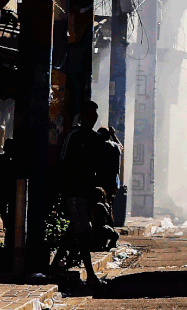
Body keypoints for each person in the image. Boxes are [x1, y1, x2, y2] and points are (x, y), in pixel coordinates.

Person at [55, 100, 105, 287]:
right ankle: (90, 274)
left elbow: (100, 167)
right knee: (84, 232)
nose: (93, 117)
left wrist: (99, 188)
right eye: (90, 113)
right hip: (74, 191)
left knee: (76, 230)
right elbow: (62, 163)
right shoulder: (73, 136)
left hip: (87, 192)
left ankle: (55, 265)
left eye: (95, 113)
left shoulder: (96, 139)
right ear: (83, 116)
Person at [96, 127, 122, 205]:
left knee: (100, 200)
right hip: (113, 180)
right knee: (110, 202)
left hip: (101, 179)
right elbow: (121, 146)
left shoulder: (99, 145)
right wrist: (113, 135)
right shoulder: (116, 146)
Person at [90, 187, 119, 252]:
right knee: (115, 235)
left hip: (92, 228)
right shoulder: (101, 206)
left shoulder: (90, 205)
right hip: (100, 227)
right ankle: (107, 248)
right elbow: (108, 217)